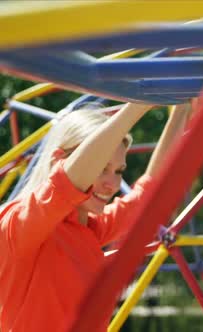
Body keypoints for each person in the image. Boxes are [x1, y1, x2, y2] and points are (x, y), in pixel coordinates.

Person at [0, 102, 191, 332]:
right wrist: (139, 104)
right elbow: (63, 186)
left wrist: (182, 107)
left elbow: (151, 192)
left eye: (119, 171)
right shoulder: (19, 223)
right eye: (101, 167)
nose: (112, 185)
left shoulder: (89, 229)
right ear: (58, 160)